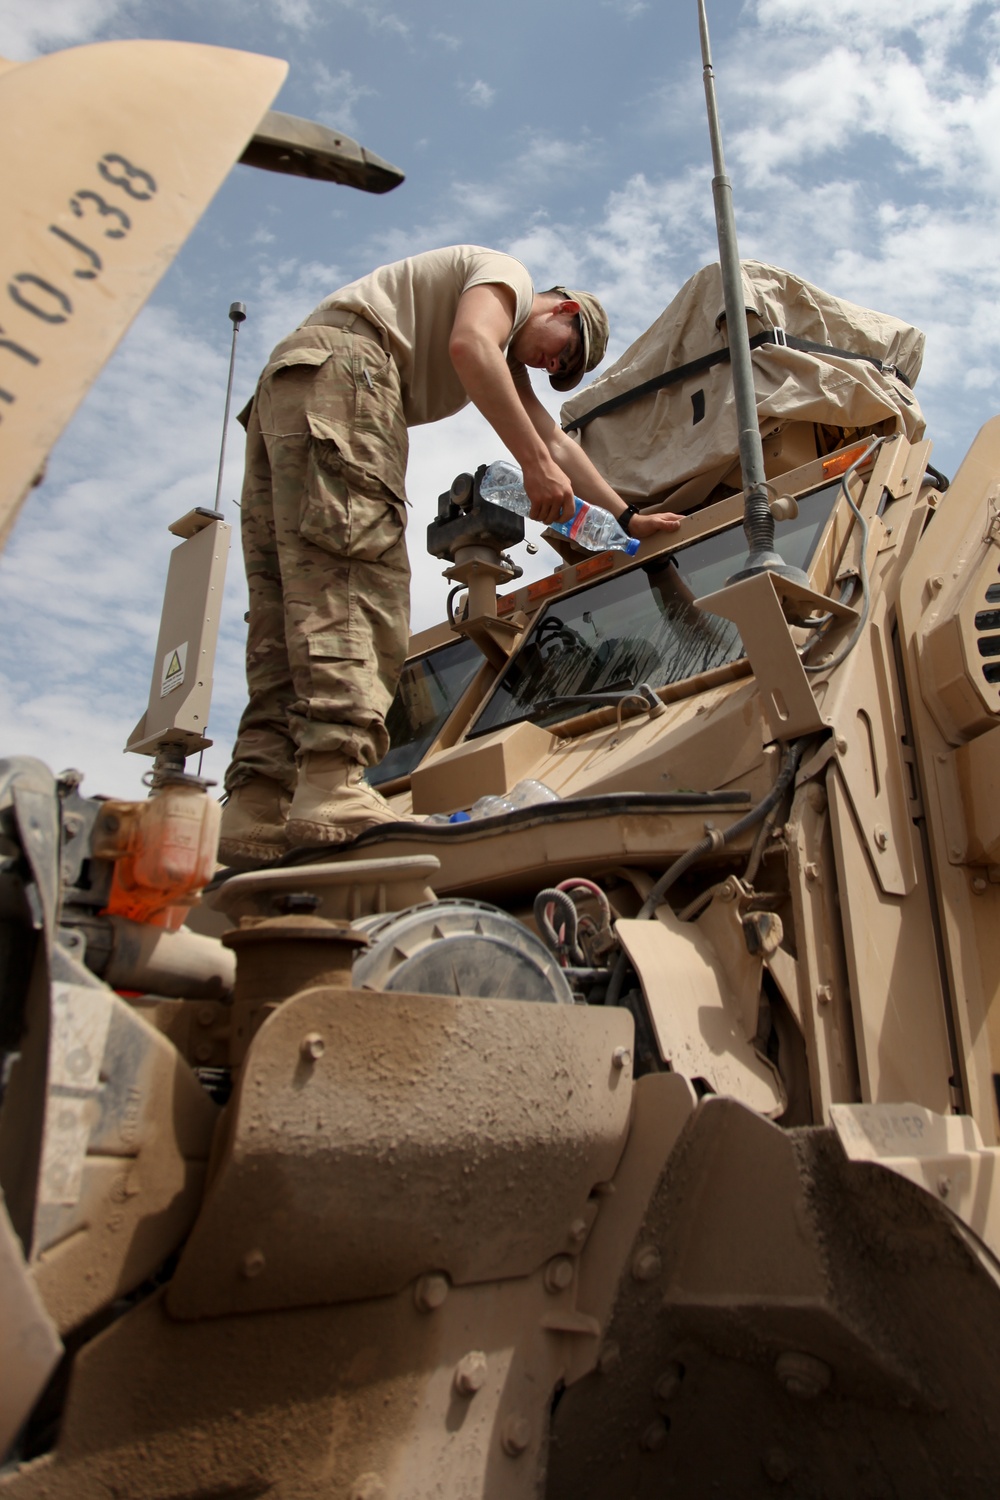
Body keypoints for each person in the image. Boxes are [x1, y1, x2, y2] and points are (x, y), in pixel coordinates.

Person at [219, 245, 681, 865]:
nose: (550, 365)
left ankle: (257, 800)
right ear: (565, 308)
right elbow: (471, 349)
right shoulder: (507, 279)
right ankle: (331, 784)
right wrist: (536, 469)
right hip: (348, 373)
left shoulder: (505, 347)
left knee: (290, 598)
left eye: (559, 371)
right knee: (357, 577)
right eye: (563, 351)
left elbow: (551, 438)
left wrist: (623, 517)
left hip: (293, 386)